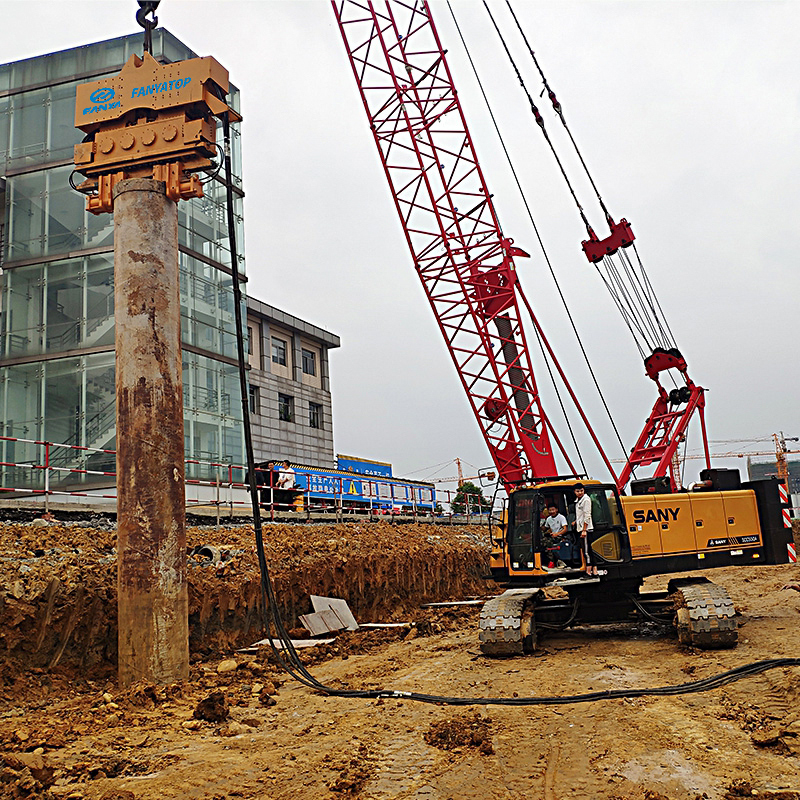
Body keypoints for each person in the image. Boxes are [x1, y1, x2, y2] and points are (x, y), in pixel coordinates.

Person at [574, 483, 596, 576]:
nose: (580, 493)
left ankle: (589, 571)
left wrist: (584, 530)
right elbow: (581, 515)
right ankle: (594, 570)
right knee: (586, 550)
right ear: (574, 492)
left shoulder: (586, 500)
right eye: (578, 491)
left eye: (581, 490)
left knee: (587, 551)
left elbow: (587, 515)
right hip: (581, 528)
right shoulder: (578, 500)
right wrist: (576, 521)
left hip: (586, 529)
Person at [542, 504, 569, 569]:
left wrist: (557, 534)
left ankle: (553, 561)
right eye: (550, 510)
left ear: (556, 510)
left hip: (560, 536)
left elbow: (565, 529)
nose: (551, 512)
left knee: (547, 542)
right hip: (552, 536)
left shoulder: (561, 517)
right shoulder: (548, 519)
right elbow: (545, 528)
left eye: (553, 510)